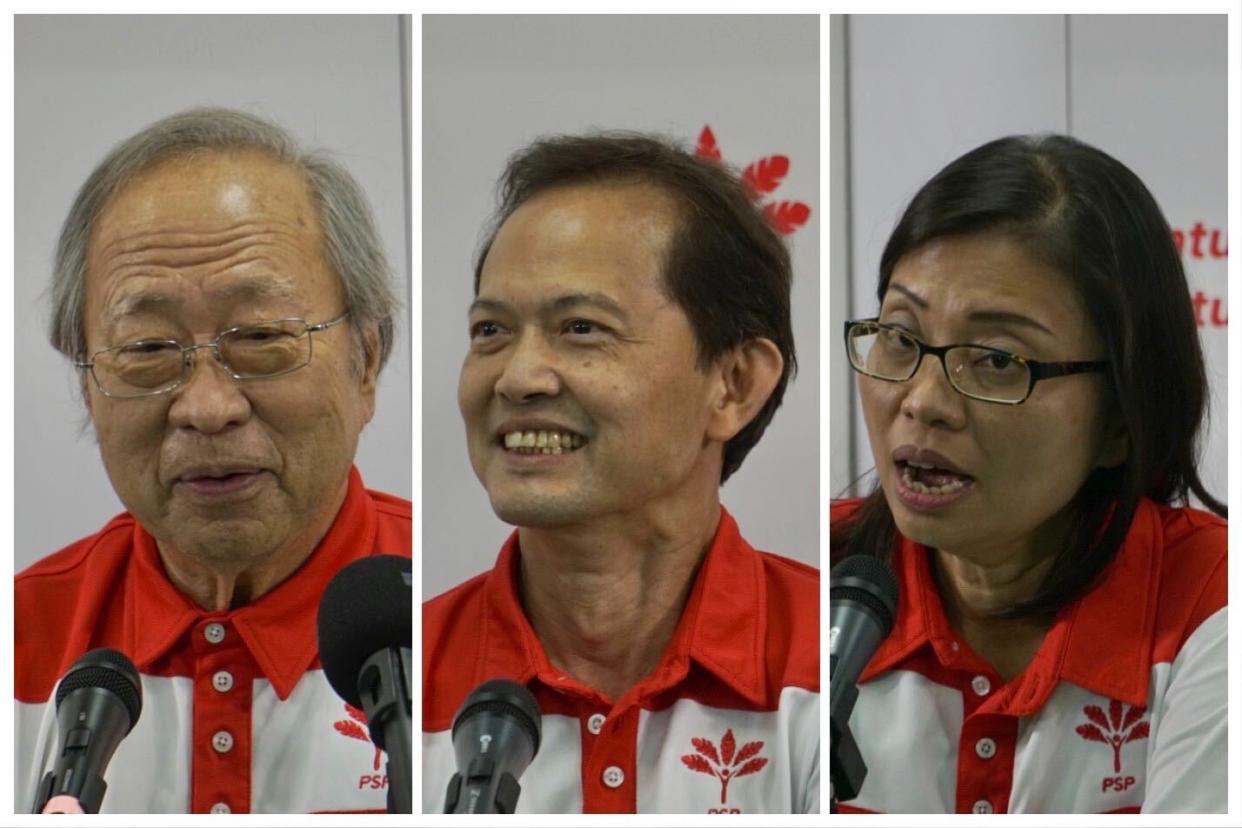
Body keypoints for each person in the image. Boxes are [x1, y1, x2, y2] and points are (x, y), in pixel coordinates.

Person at [14, 108, 411, 814]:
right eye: (145, 350)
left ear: (368, 362)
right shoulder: (21, 639)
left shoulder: (460, 628)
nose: (206, 405)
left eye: (261, 336)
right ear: (86, 381)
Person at [422, 133, 819, 814]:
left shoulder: (839, 668)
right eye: (490, 331)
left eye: (580, 328)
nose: (517, 378)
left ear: (733, 383)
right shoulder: (397, 679)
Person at [831, 134, 1227, 814]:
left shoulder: (1211, 606)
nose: (923, 400)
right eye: (900, 336)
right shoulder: (813, 588)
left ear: (1120, 421)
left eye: (997, 359)